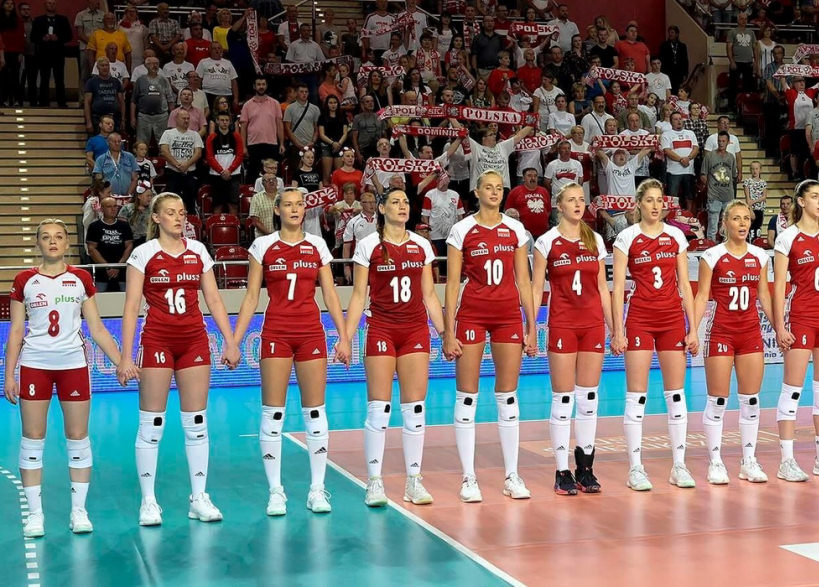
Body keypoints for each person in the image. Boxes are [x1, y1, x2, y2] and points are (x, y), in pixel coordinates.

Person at [116, 192, 240, 526]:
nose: (178, 218)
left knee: (196, 423)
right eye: (170, 213)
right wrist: (126, 356)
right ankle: (148, 501)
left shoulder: (198, 250)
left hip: (194, 341)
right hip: (157, 340)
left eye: (182, 213)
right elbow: (131, 307)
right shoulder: (143, 254)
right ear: (156, 218)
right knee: (152, 425)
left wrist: (230, 341)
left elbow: (214, 299)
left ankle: (199, 497)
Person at [5, 218, 133, 538]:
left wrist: (121, 362)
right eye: (46, 237)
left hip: (73, 365)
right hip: (35, 364)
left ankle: (79, 511)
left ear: (66, 243)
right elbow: (16, 331)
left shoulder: (80, 279)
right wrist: (9, 375)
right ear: (37, 243)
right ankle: (35, 515)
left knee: (77, 437)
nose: (53, 241)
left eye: (59, 237)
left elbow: (97, 328)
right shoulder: (24, 280)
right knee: (32, 439)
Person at [231, 187, 350, 515]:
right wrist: (234, 341)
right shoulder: (263, 246)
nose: (296, 209)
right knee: (273, 414)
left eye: (300, 204)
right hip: (276, 334)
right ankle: (275, 491)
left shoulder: (317, 245)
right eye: (289, 205)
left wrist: (343, 336)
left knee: (316, 412)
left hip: (311, 333)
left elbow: (330, 293)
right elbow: (252, 296)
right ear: (277, 210)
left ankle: (317, 489)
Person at [343, 189, 445, 506]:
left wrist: (445, 332)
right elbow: (358, 296)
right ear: (382, 208)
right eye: (396, 202)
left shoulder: (421, 245)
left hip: (414, 330)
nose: (403, 207)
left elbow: (429, 295)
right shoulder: (368, 245)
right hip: (381, 329)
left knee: (415, 409)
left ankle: (414, 480)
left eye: (406, 202)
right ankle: (374, 482)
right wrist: (345, 337)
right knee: (379, 409)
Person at [444, 169, 537, 502]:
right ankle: (468, 478)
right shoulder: (462, 230)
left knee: (508, 397)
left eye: (499, 187)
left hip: (508, 316)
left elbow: (524, 280)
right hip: (472, 314)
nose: (495, 192)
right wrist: (449, 331)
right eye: (488, 187)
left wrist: (531, 326)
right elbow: (452, 284)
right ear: (477, 191)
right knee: (467, 396)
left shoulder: (515, 229)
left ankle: (512, 475)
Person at [611, 179, 698, 491]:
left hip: (672, 319)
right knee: (637, 397)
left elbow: (685, 285)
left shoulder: (675, 236)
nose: (655, 205)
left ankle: (679, 466)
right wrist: (617, 330)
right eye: (649, 200)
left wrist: (693, 328)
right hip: (640, 318)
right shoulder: (627, 237)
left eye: (659, 200)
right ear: (639, 204)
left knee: (676, 395)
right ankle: (635, 468)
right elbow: (618, 287)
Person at [532, 182, 612, 494]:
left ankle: (586, 469)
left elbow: (603, 289)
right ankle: (562, 470)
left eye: (581, 199)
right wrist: (530, 328)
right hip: (563, 324)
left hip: (592, 325)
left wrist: (616, 329)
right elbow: (537, 289)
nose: (578, 204)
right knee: (563, 399)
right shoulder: (546, 242)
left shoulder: (595, 240)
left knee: (589, 399)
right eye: (571, 200)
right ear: (559, 206)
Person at [693, 200, 772, 485]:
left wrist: (779, 328)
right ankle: (715, 461)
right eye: (736, 218)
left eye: (746, 219)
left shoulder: (760, 255)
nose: (742, 223)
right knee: (717, 400)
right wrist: (692, 331)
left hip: (750, 333)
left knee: (751, 400)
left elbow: (764, 295)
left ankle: (748, 460)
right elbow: (702, 295)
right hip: (721, 333)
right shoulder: (712, 256)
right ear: (725, 222)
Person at [772, 180, 819, 482]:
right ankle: (786, 460)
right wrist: (779, 326)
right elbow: (778, 286)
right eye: (815, 196)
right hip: (801, 316)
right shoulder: (788, 237)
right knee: (793, 389)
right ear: (801, 201)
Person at [240, 76, 285, 181]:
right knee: (253, 175)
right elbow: (243, 127)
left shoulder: (275, 104)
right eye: (259, 84)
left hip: (271, 144)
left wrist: (282, 143)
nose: (261, 87)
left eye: (263, 84)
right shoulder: (247, 105)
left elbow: (279, 124)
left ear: (266, 86)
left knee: (273, 175)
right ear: (254, 86)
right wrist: (244, 147)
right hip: (253, 144)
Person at [85, 196, 134, 292]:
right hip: (101, 271)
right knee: (99, 297)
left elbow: (129, 246)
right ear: (102, 209)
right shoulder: (94, 226)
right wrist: (107, 267)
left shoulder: (124, 225)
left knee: (126, 296)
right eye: (109, 206)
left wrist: (119, 266)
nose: (113, 209)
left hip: (122, 270)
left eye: (115, 206)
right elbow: (92, 249)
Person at [159, 110, 203, 213]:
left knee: (190, 202)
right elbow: (164, 151)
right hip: (173, 173)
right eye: (184, 118)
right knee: (171, 202)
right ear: (177, 119)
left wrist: (186, 165)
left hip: (190, 173)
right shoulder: (168, 133)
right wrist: (177, 165)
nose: (186, 120)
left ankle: (191, 221)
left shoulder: (195, 134)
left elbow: (198, 153)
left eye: (188, 118)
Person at [32, 0, 71, 107]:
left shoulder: (63, 19)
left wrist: (58, 38)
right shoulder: (38, 20)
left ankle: (61, 102)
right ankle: (43, 102)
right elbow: (33, 37)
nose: (51, 5)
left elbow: (69, 36)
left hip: (58, 53)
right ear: (45, 5)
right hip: (43, 54)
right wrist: (42, 38)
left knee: (59, 79)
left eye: (53, 3)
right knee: (44, 78)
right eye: (49, 3)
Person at [700, 131, 738, 241]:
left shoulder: (731, 157)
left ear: (728, 142)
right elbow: (703, 175)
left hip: (728, 196)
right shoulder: (709, 156)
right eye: (719, 141)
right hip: (714, 196)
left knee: (728, 226)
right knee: (713, 226)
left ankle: (727, 246)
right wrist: (710, 186)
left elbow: (733, 175)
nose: (721, 143)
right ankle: (711, 246)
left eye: (723, 141)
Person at [205, 112, 243, 215]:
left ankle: (233, 225)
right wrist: (221, 171)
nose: (225, 122)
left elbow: (239, 155)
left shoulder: (236, 136)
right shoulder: (211, 137)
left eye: (227, 120)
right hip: (216, 175)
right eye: (222, 120)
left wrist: (230, 170)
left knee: (233, 205)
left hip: (234, 175)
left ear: (230, 122)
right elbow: (209, 157)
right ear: (217, 121)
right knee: (217, 205)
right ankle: (216, 225)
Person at [662, 112, 700, 212]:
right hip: (673, 172)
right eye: (675, 119)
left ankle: (689, 216)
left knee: (690, 196)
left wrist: (688, 158)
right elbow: (667, 151)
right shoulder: (666, 134)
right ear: (671, 122)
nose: (679, 121)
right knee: (672, 197)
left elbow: (696, 148)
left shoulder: (690, 133)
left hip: (689, 171)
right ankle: (672, 216)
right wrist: (681, 159)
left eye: (680, 119)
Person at [342, 191, 377, 283]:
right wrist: (346, 267)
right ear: (361, 203)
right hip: (360, 261)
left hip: (379, 260)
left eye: (373, 202)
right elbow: (346, 246)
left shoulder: (383, 221)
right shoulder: (353, 222)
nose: (372, 205)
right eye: (368, 202)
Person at [743, 161, 768, 240]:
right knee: (751, 227)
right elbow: (747, 198)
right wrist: (750, 209)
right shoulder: (747, 182)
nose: (755, 171)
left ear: (760, 170)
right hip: (751, 209)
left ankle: (757, 241)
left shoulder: (763, 182)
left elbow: (764, 197)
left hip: (760, 209)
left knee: (758, 227)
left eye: (757, 169)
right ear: (750, 170)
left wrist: (753, 201)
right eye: (753, 169)